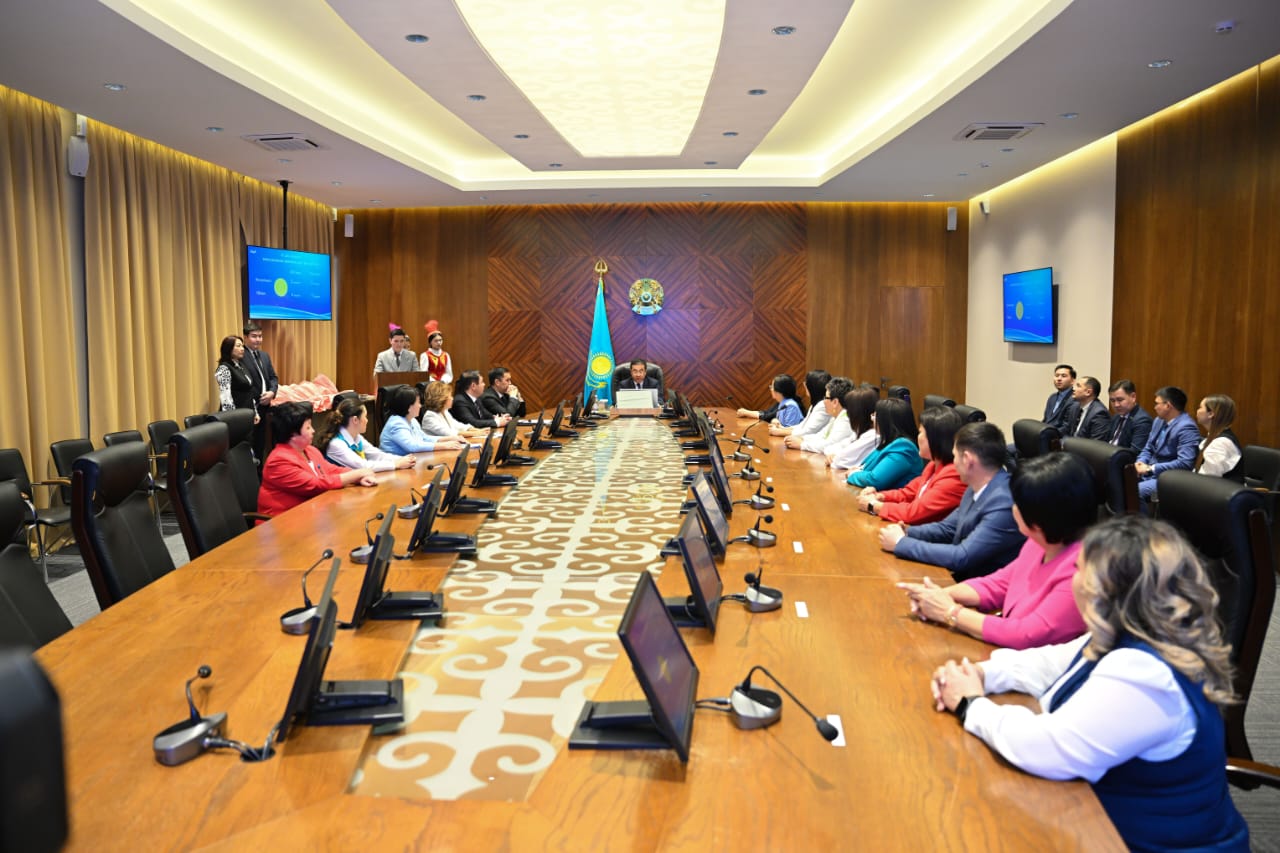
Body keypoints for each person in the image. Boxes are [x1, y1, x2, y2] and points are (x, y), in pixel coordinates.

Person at [928, 516, 1248, 851]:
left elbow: (1048, 748)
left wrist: (971, 705)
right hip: (1093, 818)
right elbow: (1049, 663)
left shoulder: (1145, 674)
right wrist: (981, 674)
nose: (1071, 578)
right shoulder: (1132, 631)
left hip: (1138, 842)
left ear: (1107, 588)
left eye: (1079, 569)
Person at [896, 452, 1095, 648]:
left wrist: (950, 612)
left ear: (1041, 516)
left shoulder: (1081, 571)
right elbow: (998, 584)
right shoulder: (1039, 543)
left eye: (1018, 503)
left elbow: (1026, 634)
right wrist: (938, 596)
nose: (1012, 507)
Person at [880, 422, 1024, 581]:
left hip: (985, 588)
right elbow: (947, 528)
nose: (953, 463)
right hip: (965, 580)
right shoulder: (976, 486)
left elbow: (963, 556)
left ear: (967, 459)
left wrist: (901, 543)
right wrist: (907, 531)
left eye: (955, 456)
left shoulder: (1004, 502)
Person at [257, 402, 377, 519]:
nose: (313, 430)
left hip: (311, 515)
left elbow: (331, 470)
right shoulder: (278, 461)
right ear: (293, 434)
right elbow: (315, 485)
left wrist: (359, 477)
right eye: (308, 427)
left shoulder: (310, 450)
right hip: (282, 522)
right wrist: (357, 473)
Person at [856, 405, 965, 524]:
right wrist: (880, 496)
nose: (918, 436)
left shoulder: (954, 475)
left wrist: (874, 506)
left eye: (921, 432)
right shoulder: (933, 465)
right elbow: (908, 493)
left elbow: (914, 513)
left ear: (934, 438)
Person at [1135, 385, 1200, 502]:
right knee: (1117, 484)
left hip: (1168, 479)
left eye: (1157, 403)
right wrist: (1140, 462)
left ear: (1168, 405)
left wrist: (1150, 468)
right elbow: (1148, 447)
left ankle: (1140, 515)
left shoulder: (1187, 427)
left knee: (1134, 492)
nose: (1154, 407)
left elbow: (1185, 463)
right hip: (1148, 472)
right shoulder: (1158, 420)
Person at [315, 397, 416, 471]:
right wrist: (395, 464)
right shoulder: (336, 444)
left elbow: (377, 455)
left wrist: (403, 459)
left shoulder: (356, 437)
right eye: (365, 417)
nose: (367, 420)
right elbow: (362, 466)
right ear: (355, 420)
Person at [845, 398, 922, 490]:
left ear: (885, 421)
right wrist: (858, 471)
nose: (872, 420)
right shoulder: (889, 441)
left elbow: (874, 480)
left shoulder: (903, 447)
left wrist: (853, 474)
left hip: (891, 497)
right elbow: (865, 468)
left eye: (874, 416)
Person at [381, 386, 465, 455]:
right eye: (418, 402)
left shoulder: (412, 419)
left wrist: (450, 438)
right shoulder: (396, 423)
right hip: (396, 466)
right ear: (409, 407)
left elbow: (424, 438)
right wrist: (444, 446)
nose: (420, 406)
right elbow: (412, 446)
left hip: (412, 460)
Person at [242, 321, 279, 464]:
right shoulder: (240, 355)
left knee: (260, 445)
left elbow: (273, 378)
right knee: (248, 447)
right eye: (254, 336)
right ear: (245, 337)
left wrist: (272, 393)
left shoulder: (264, 355)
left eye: (260, 336)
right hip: (249, 408)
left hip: (264, 407)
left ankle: (259, 474)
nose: (258, 339)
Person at [785, 376, 853, 452]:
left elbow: (829, 445)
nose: (823, 402)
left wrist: (802, 444)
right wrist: (802, 438)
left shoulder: (846, 420)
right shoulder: (836, 417)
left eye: (826, 398)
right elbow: (821, 435)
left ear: (835, 402)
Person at [825, 385, 879, 469]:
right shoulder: (859, 431)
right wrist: (833, 455)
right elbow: (830, 448)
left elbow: (839, 462)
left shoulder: (873, 435)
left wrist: (834, 457)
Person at [769, 370, 831, 437]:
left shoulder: (823, 406)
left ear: (812, 387)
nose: (804, 384)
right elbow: (803, 426)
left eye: (806, 383)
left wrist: (780, 432)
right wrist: (782, 428)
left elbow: (809, 431)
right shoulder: (815, 404)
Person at [1194, 394, 1242, 478]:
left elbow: (1208, 480)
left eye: (1200, 407)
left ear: (1211, 414)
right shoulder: (1214, 437)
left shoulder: (1220, 443)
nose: (1197, 411)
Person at [214, 335, 257, 421]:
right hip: (235, 416)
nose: (242, 349)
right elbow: (226, 398)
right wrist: (233, 418)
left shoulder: (241, 366)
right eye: (238, 346)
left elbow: (249, 392)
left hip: (248, 413)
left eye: (242, 346)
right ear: (228, 349)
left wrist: (255, 412)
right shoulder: (224, 368)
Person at [1105, 379, 1153, 453]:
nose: (1116, 405)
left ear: (1133, 397)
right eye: (1112, 400)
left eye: (1120, 400)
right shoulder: (1116, 416)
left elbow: (1135, 452)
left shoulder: (1142, 420)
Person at [1061, 376, 1110, 440]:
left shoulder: (1100, 413)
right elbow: (1066, 429)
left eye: (1078, 386)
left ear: (1088, 392)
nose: (1073, 388)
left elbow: (1097, 442)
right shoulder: (1074, 407)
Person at [1043, 364, 1076, 430]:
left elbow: (1067, 427)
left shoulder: (1075, 399)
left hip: (1059, 435)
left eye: (1063, 376)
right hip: (1046, 432)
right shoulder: (1052, 397)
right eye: (1057, 375)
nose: (1059, 379)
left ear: (1072, 381)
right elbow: (1046, 420)